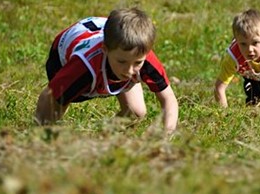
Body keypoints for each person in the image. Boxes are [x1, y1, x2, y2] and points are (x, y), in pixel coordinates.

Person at [35, 7, 178, 134]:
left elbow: (169, 99)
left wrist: (165, 138)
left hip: (106, 45)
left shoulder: (144, 60)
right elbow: (49, 96)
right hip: (64, 57)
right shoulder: (82, 67)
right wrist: (39, 133)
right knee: (57, 107)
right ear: (105, 50)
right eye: (122, 61)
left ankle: (105, 138)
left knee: (136, 112)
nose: (129, 70)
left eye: (137, 63)